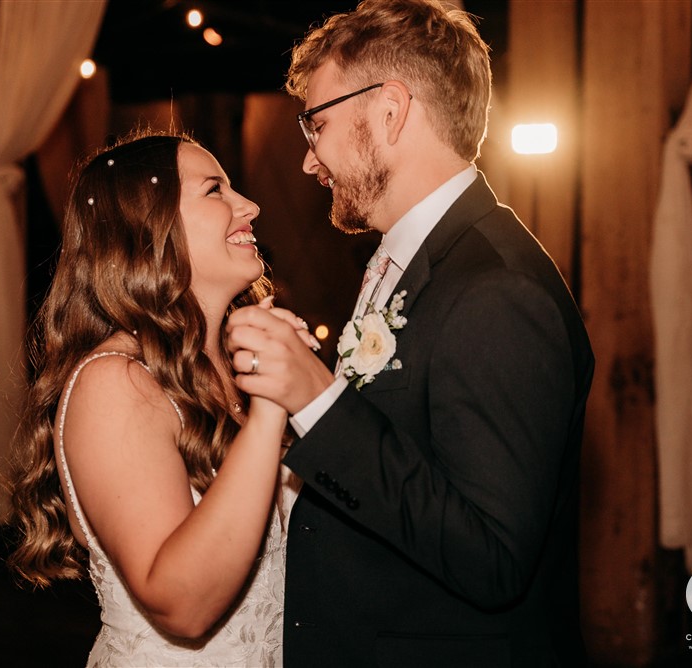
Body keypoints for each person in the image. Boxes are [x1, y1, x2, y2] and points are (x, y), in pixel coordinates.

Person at [225, 1, 595, 665]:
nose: (309, 162)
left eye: (319, 125)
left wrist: (319, 401)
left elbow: (490, 557)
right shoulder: (410, 263)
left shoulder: (496, 291)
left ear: (391, 111)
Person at [7, 131, 308, 666]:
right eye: (215, 191)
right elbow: (180, 606)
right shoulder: (113, 382)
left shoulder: (234, 366)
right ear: (147, 229)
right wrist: (270, 412)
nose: (251, 206)